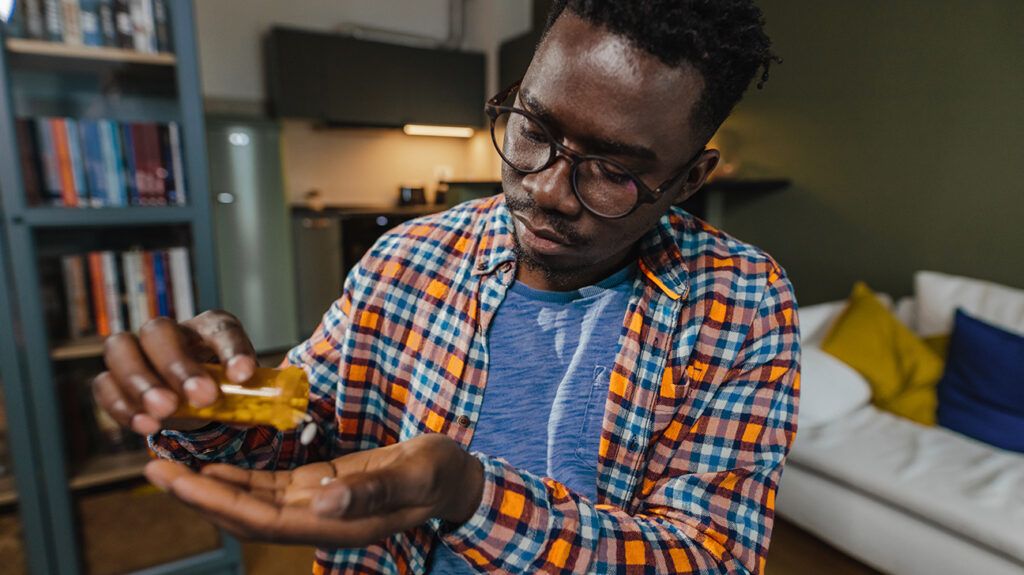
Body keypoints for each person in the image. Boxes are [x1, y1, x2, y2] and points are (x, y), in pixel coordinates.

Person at [95, 1, 799, 573]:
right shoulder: (409, 257)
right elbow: (304, 441)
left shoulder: (742, 303)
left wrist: (469, 494)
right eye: (532, 127)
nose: (549, 190)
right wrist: (219, 404)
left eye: (614, 171)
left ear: (689, 179)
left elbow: (709, 557)